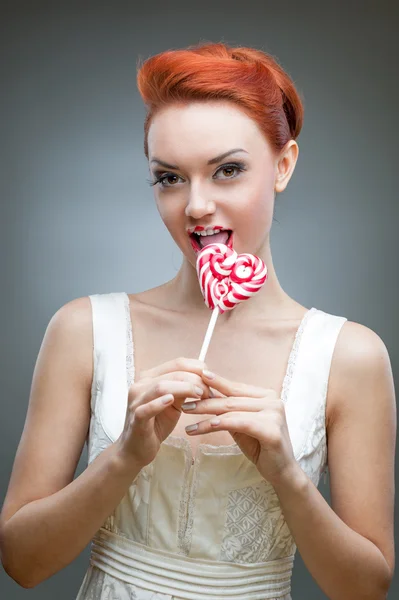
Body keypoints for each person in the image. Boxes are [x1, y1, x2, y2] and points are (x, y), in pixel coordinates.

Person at [0, 41, 395, 600]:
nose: (195, 206)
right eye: (170, 178)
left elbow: (366, 588)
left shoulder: (351, 357)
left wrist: (289, 477)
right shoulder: (83, 330)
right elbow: (21, 562)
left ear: (283, 166)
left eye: (227, 171)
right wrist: (124, 457)